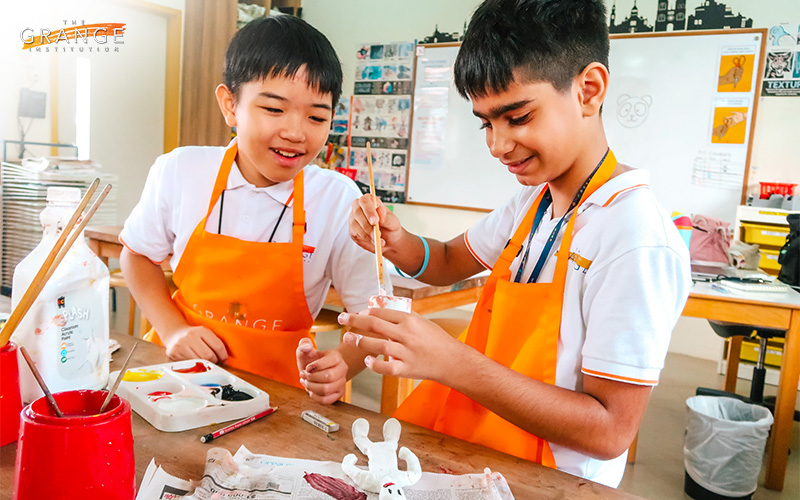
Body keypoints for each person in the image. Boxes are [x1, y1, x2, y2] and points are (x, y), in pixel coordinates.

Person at [336, 0, 691, 487]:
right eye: (486, 122)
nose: (497, 145)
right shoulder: (534, 201)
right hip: (479, 456)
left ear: (588, 90)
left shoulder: (634, 239)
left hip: (549, 481)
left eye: (517, 117)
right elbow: (444, 261)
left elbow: (610, 430)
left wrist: (451, 362)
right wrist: (395, 239)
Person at [121, 15, 383, 403]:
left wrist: (344, 362)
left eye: (316, 116)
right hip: (176, 380)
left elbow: (374, 317)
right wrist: (173, 330)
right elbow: (137, 256)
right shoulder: (182, 170)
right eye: (274, 110)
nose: (296, 133)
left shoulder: (338, 199)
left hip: (279, 397)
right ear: (230, 105)